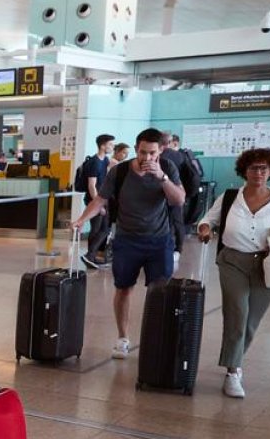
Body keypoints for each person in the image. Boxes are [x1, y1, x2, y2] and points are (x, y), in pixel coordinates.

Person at [197, 148, 270, 399]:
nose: (259, 173)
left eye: (264, 168)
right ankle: (234, 371)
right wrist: (204, 230)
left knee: (251, 321)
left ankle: (234, 361)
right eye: (254, 168)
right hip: (232, 261)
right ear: (244, 171)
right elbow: (207, 220)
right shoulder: (230, 196)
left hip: (267, 264)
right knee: (237, 313)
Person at [72, 128, 187, 360]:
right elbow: (101, 198)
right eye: (143, 152)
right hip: (127, 240)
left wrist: (161, 177)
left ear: (160, 151)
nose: (147, 158)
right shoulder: (120, 171)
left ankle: (156, 338)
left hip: (159, 240)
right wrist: (81, 220)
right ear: (136, 149)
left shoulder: (168, 168)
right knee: (123, 288)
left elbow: (179, 199)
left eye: (152, 153)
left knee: (159, 291)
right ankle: (123, 338)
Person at [80, 134, 115, 269]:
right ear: (102, 146)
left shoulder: (105, 160)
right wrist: (97, 204)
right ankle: (90, 256)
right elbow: (91, 185)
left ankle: (91, 255)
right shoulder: (94, 162)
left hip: (101, 199)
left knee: (104, 228)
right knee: (96, 229)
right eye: (110, 145)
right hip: (94, 200)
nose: (112, 147)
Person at [159, 132, 188, 267]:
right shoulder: (179, 155)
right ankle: (177, 249)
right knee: (178, 222)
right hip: (178, 193)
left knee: (167, 223)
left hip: (161, 195)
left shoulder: (161, 157)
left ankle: (166, 249)